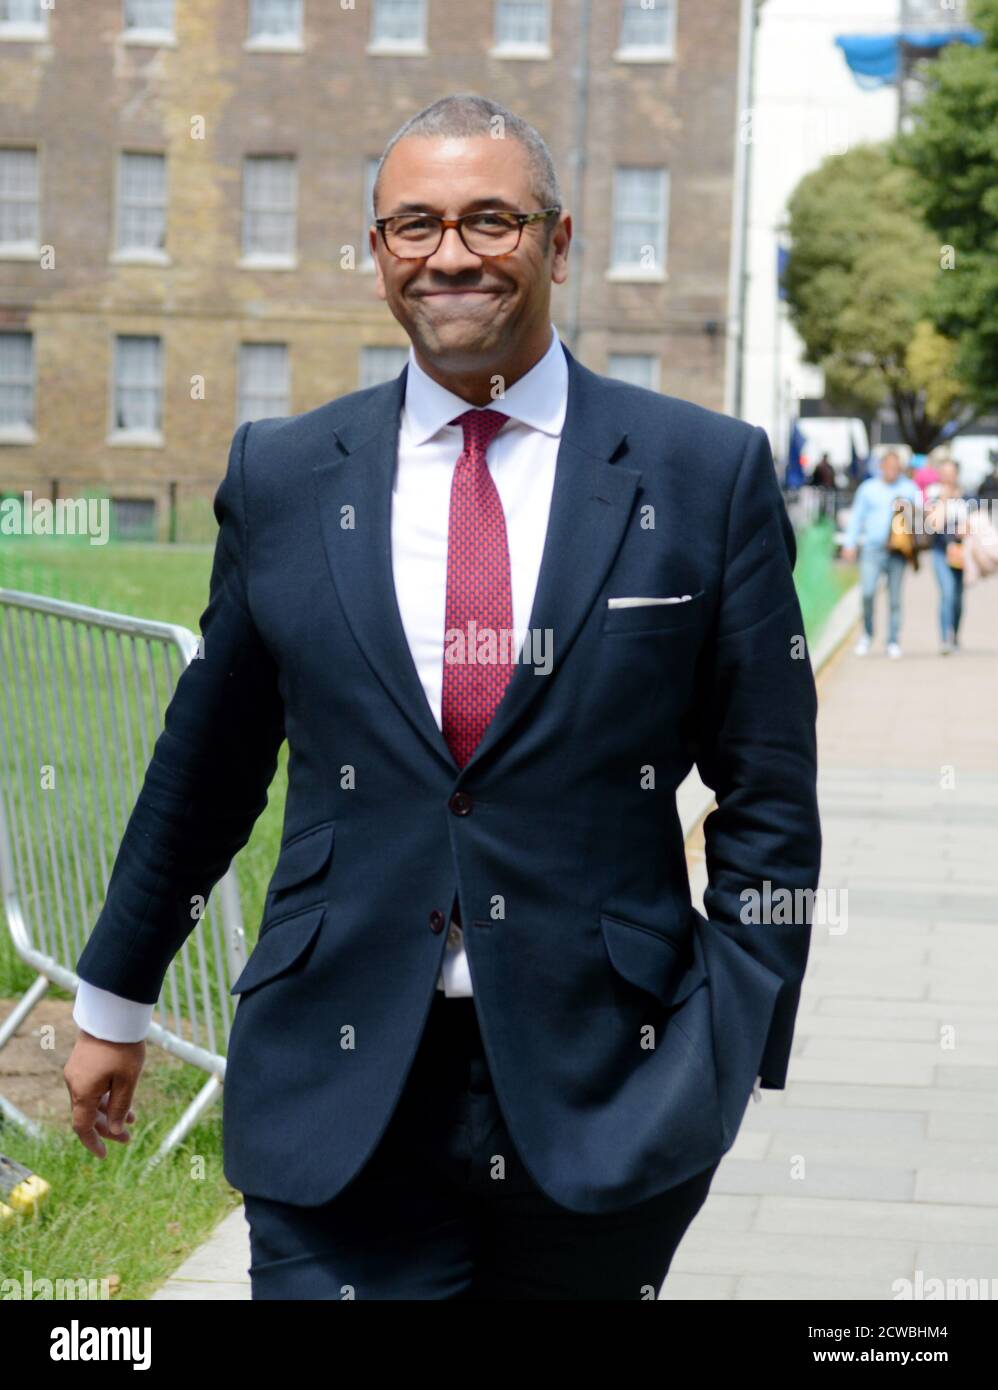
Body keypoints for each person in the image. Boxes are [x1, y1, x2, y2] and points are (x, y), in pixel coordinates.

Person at [62, 95, 821, 1301]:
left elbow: (769, 792)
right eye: (411, 224)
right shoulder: (284, 476)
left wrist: (735, 1037)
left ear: (557, 243)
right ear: (376, 253)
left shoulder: (701, 472)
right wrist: (113, 997)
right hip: (338, 1082)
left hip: (604, 1093)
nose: (450, 254)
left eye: (490, 220)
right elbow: (205, 766)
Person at [841, 449, 921, 659]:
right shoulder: (868, 489)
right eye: (889, 466)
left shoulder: (909, 488)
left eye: (896, 467)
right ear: (881, 467)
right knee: (867, 592)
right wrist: (850, 543)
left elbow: (920, 518)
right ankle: (867, 635)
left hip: (898, 551)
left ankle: (893, 640)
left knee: (895, 598)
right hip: (872, 549)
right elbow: (857, 517)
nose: (892, 471)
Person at [926, 459, 970, 655]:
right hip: (941, 552)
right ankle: (945, 639)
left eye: (951, 472)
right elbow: (932, 524)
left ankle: (956, 635)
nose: (947, 477)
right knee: (948, 593)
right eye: (944, 472)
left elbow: (975, 521)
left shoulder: (967, 496)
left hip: (961, 553)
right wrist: (944, 499)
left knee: (959, 598)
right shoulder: (932, 495)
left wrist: (966, 529)